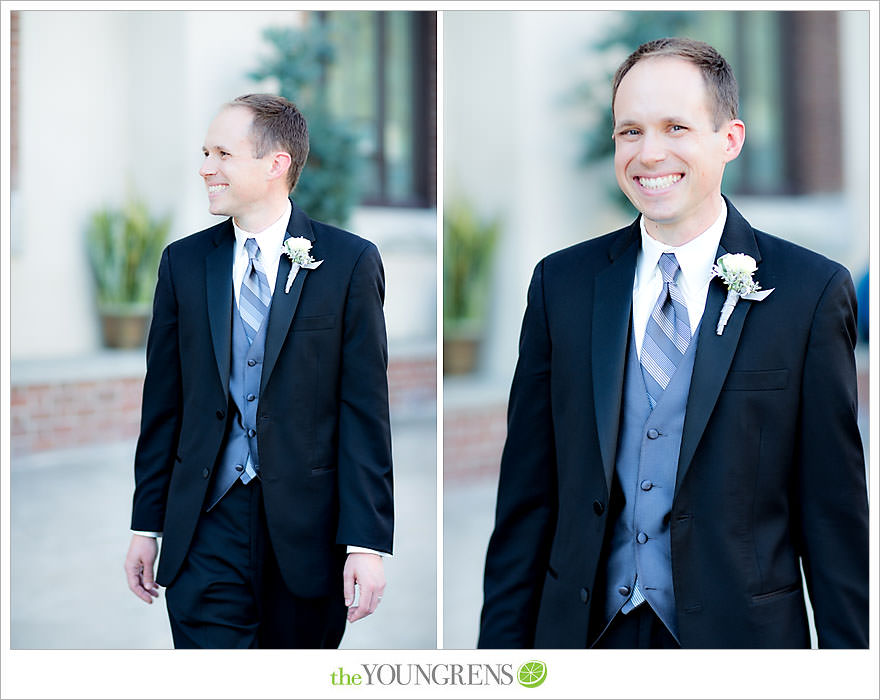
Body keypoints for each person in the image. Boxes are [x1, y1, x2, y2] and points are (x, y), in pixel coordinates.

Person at [478, 38, 868, 649]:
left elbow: (833, 514)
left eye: (675, 127)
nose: (649, 152)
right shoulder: (563, 283)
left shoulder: (809, 292)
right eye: (629, 131)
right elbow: (527, 501)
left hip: (741, 645)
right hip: (585, 638)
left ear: (730, 139)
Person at [123, 94, 394, 648]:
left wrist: (366, 543)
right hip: (204, 527)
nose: (205, 167)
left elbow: (364, 410)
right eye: (204, 152)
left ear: (276, 164)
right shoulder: (183, 263)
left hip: (308, 536)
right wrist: (145, 526)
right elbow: (164, 406)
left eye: (222, 153)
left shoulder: (348, 262)